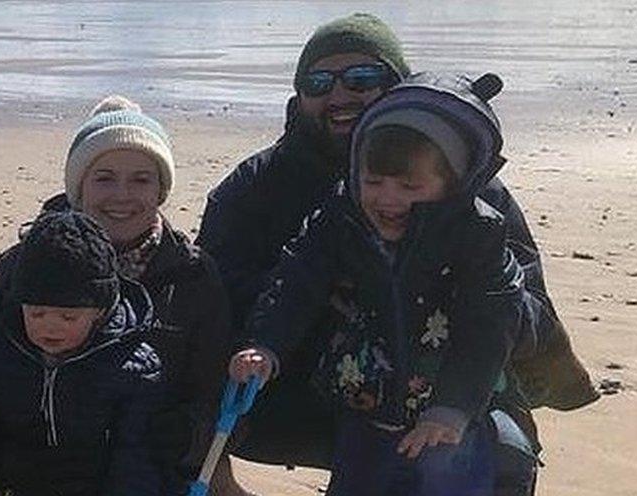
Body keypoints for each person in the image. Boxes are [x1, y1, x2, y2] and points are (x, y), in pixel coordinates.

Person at [198, 13, 598, 495]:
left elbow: (526, 314)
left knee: (502, 454)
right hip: (323, 383)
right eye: (319, 81)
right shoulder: (261, 189)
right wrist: (318, 317)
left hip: (456, 386)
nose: (340, 95)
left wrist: (457, 307)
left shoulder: (475, 202)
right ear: (299, 93)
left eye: (363, 78)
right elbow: (222, 293)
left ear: (398, 85)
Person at [0, 96, 235, 494]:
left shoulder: (193, 275)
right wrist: (0, 463)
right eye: (104, 178)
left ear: (162, 190)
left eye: (141, 179)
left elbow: (218, 400)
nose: (122, 195)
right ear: (78, 187)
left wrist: (179, 438)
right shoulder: (19, 268)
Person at [0, 211, 165, 495]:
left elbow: (138, 453)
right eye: (37, 313)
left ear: (99, 311)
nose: (50, 327)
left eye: (68, 317)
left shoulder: (132, 366)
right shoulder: (0, 347)